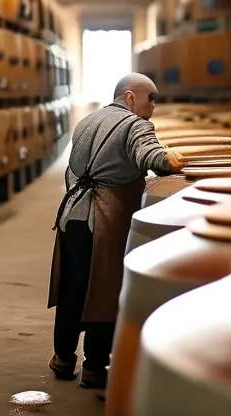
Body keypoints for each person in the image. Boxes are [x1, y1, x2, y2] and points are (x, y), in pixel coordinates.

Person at [47, 73, 185, 390]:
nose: (155, 105)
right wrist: (168, 159)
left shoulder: (88, 120)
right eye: (151, 97)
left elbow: (74, 168)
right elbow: (148, 154)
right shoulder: (135, 124)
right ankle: (95, 367)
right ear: (129, 97)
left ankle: (63, 359)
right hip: (105, 219)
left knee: (73, 287)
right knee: (105, 290)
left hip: (73, 215)